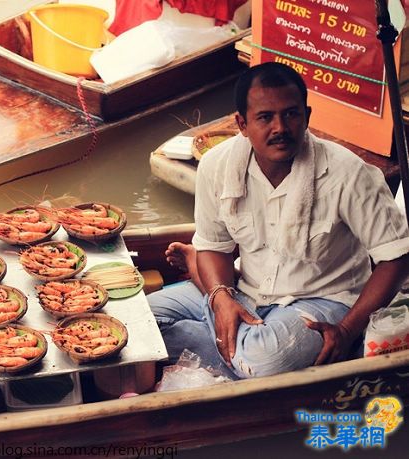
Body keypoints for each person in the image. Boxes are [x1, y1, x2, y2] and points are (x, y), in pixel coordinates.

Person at [149, 62, 409, 379]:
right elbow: (215, 247)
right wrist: (221, 297)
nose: (280, 128)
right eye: (265, 117)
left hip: (322, 301)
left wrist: (347, 330)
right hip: (243, 287)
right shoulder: (216, 166)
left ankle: (209, 305)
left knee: (263, 361)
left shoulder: (348, 174)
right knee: (141, 322)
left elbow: (396, 257)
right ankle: (222, 321)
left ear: (307, 117)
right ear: (242, 124)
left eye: (291, 114)